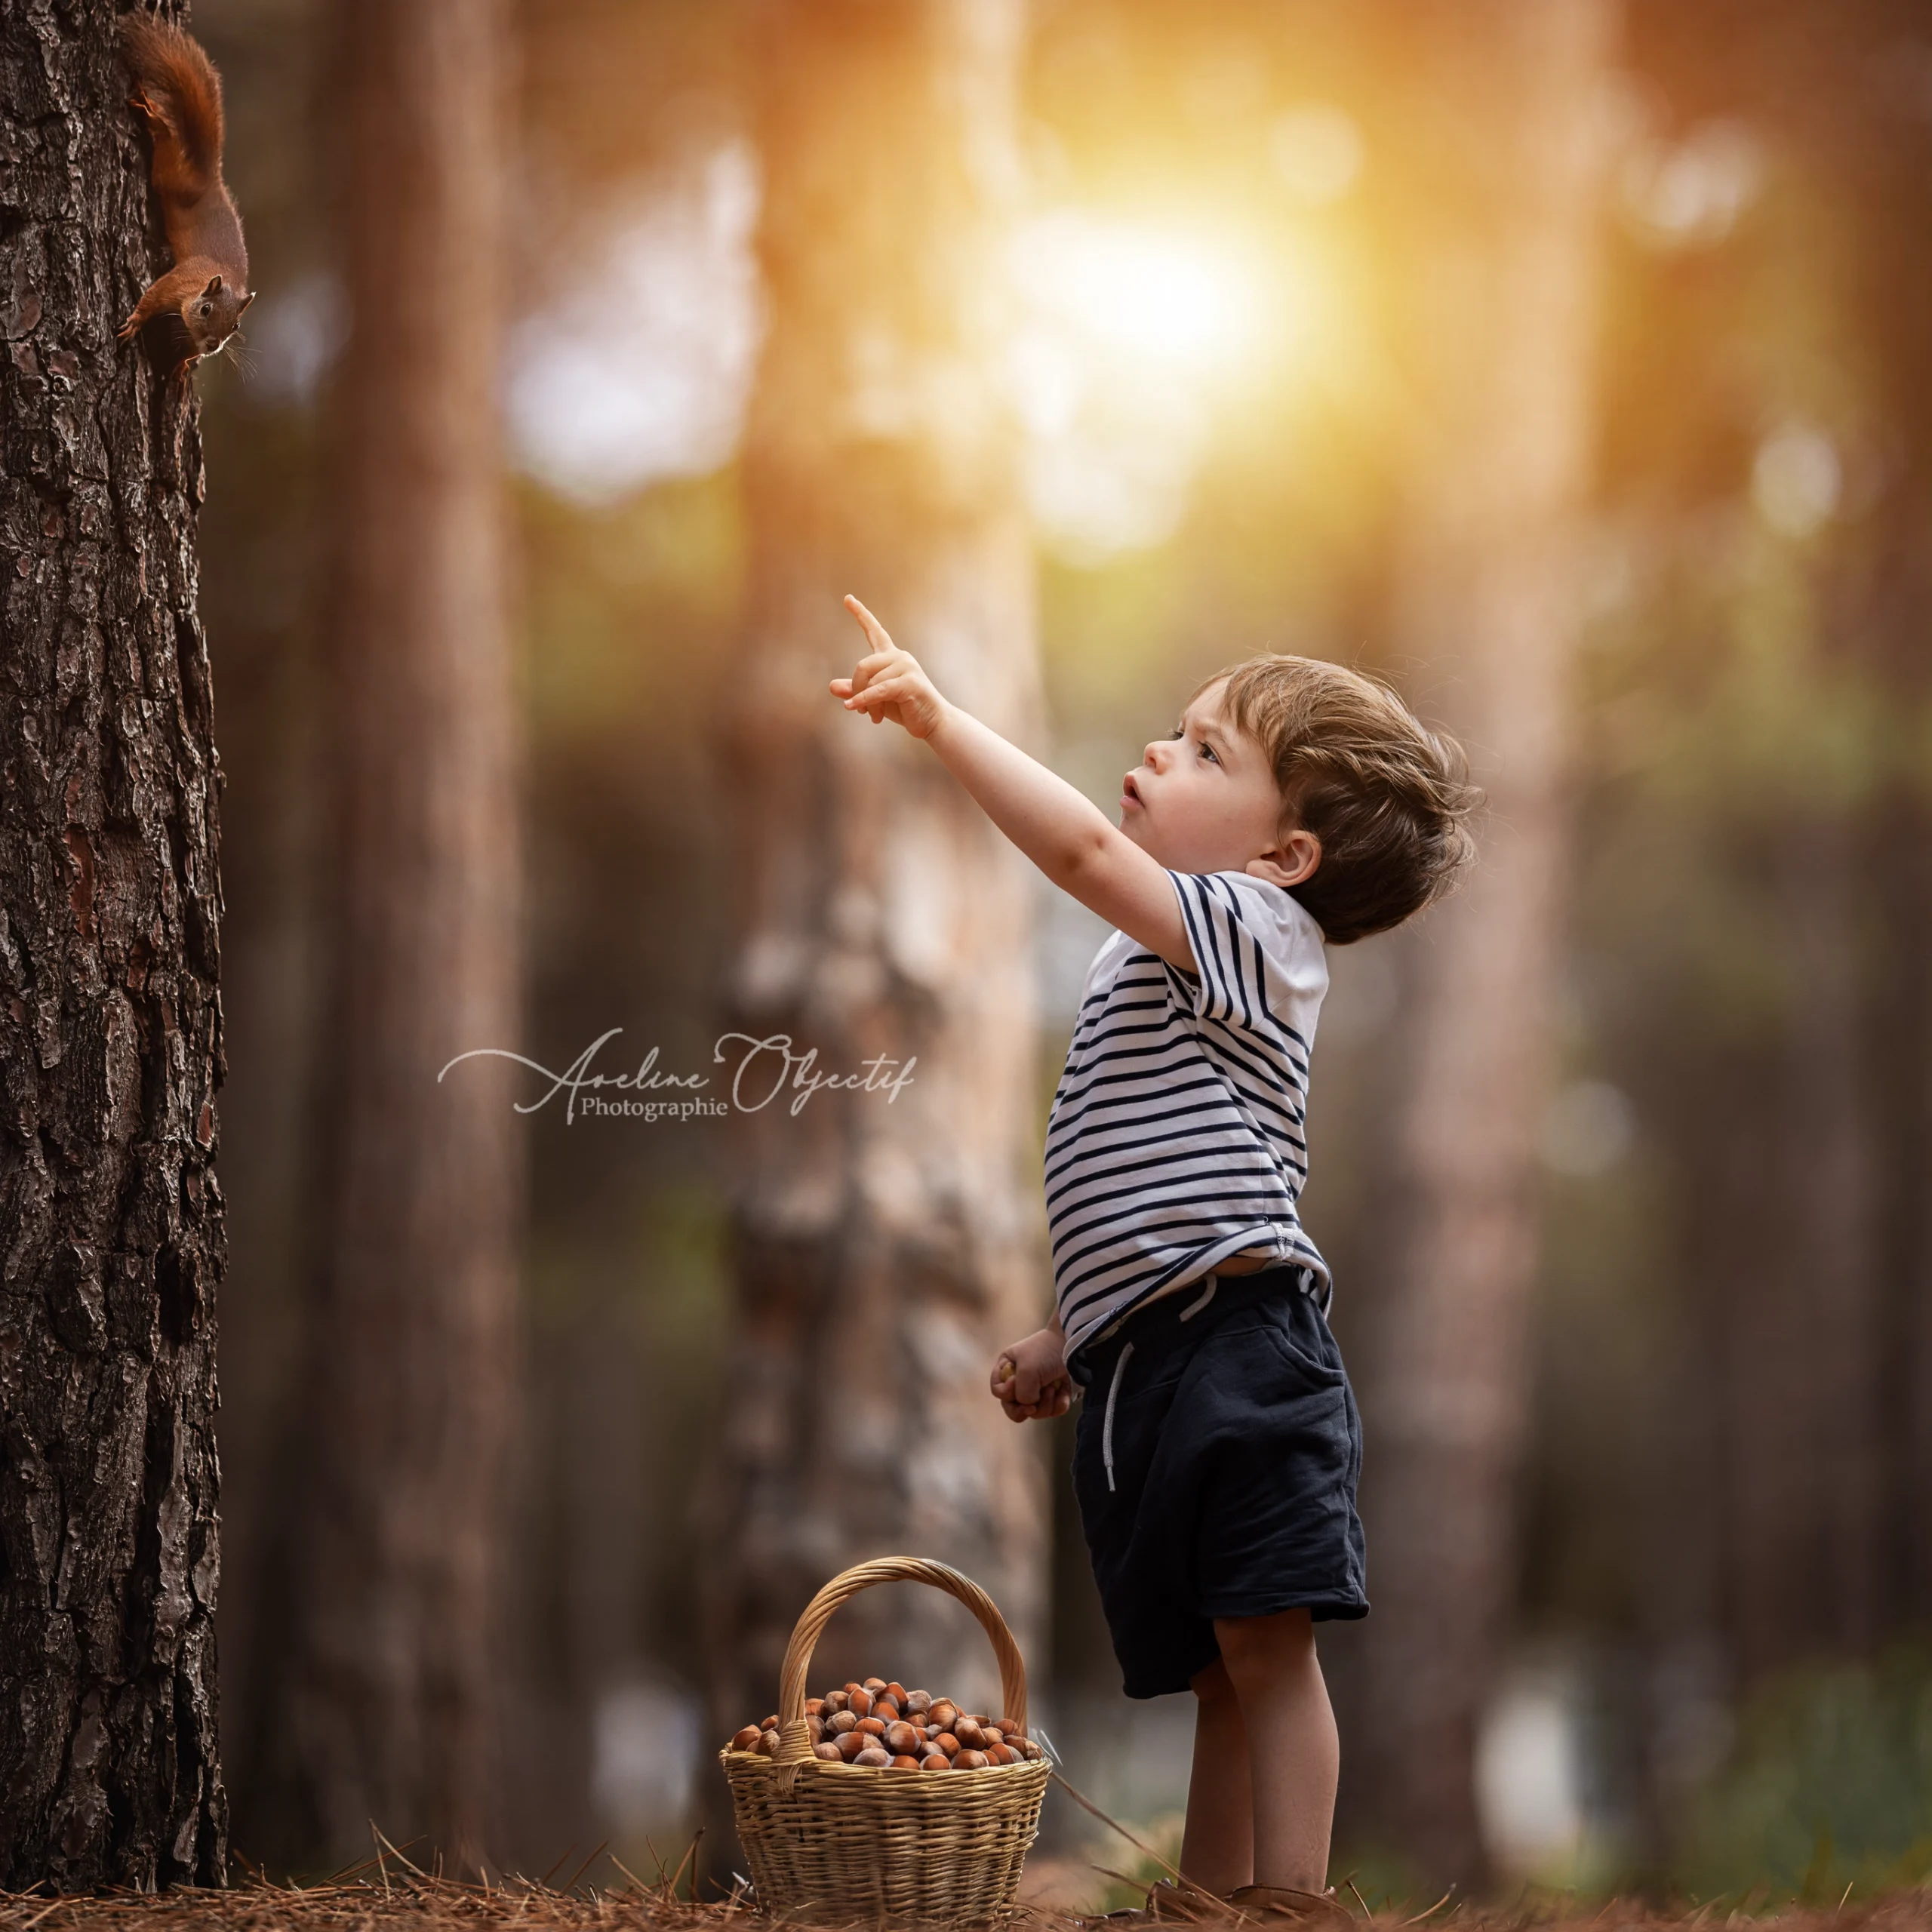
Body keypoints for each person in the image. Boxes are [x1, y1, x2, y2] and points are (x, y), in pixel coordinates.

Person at [830, 595, 1477, 1924]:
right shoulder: (1172, 961)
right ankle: (1211, 1897)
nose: (1159, 753)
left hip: (1244, 1357)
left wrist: (941, 720)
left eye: (1206, 752)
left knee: (1267, 1648)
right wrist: (1075, 1336)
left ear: (1285, 855)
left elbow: (1076, 849)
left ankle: (1290, 1901)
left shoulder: (1255, 931)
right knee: (1215, 1664)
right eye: (1175, 732)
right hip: (1160, 1355)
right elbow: (1170, 1205)